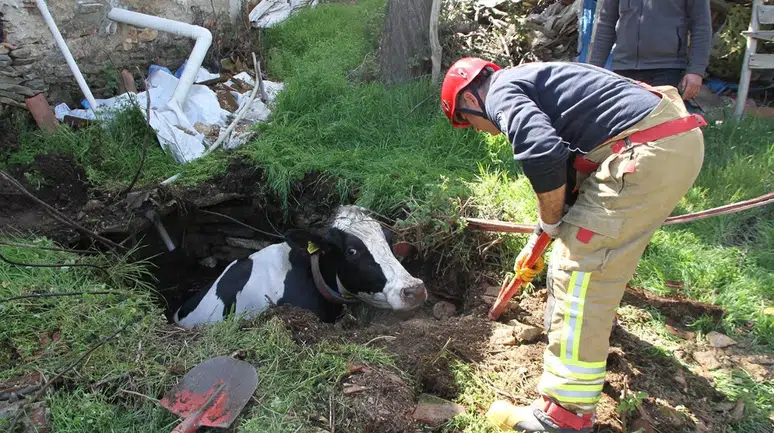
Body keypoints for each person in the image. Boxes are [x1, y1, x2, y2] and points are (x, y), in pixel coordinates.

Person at [440, 57, 705, 432]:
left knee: (578, 269)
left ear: (469, 99)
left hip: (645, 150)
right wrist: (541, 233)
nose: (486, 132)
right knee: (595, 256)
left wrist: (551, 223)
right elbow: (569, 172)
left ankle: (563, 415)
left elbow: (543, 153)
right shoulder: (537, 82)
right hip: (669, 141)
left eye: (467, 122)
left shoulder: (498, 91)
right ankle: (590, 328)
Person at [587, 0, 713, 101]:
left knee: (660, 128)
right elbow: (606, 23)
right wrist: (593, 69)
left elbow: (701, 26)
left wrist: (696, 71)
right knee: (625, 127)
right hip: (624, 69)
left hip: (666, 69)